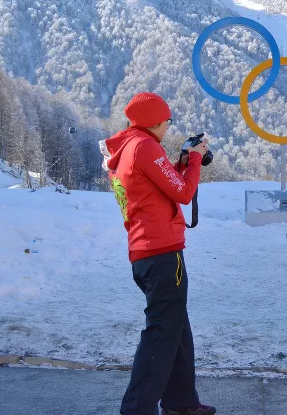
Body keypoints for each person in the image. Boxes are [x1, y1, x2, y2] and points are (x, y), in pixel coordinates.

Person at [101, 92, 216, 415]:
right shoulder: (145, 147)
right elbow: (182, 192)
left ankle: (181, 401)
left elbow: (160, 187)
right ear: (154, 121)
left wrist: (179, 163)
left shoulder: (127, 149)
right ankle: (137, 408)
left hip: (146, 252)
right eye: (167, 121)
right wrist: (193, 160)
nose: (168, 126)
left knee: (176, 329)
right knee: (162, 334)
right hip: (162, 252)